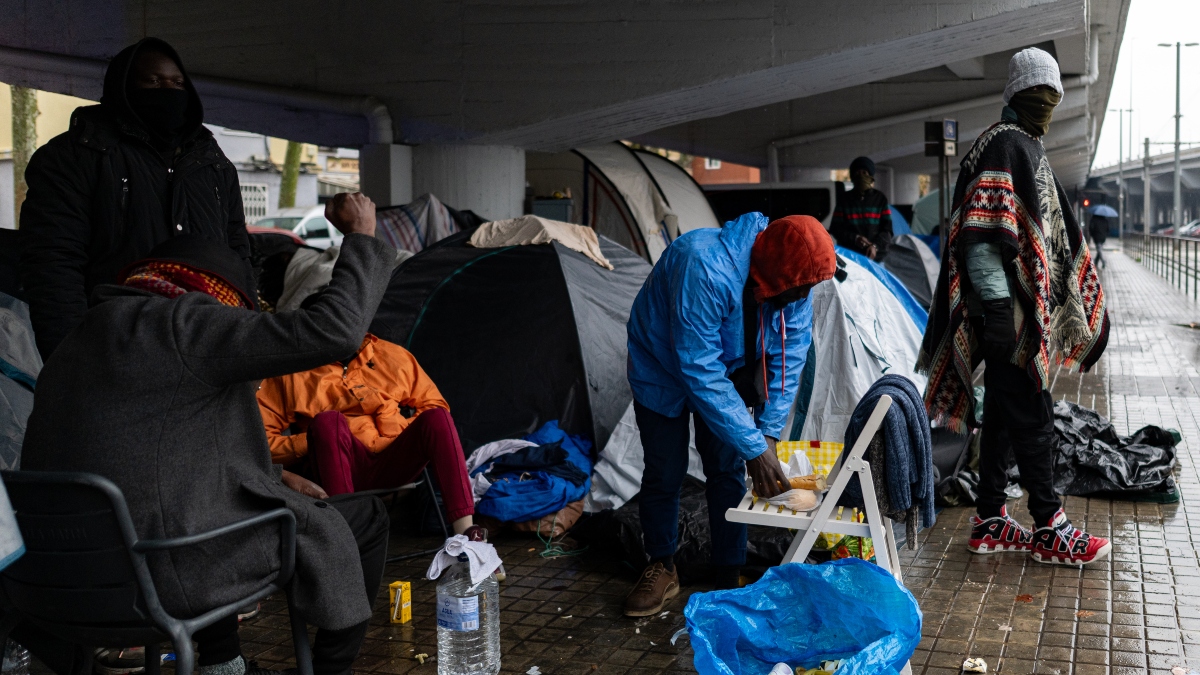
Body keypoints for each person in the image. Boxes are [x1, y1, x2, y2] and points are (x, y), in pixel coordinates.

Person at [20, 193, 394, 675]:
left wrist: (274, 475)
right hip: (159, 580)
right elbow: (336, 331)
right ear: (216, 296)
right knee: (362, 518)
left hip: (55, 583)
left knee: (209, 514)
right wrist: (361, 235)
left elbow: (153, 453)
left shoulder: (83, 337)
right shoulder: (187, 323)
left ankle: (225, 666)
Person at [918, 48, 1111, 566]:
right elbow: (982, 238)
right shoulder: (1006, 144)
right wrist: (1000, 309)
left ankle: (990, 519)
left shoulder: (1019, 143)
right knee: (1033, 414)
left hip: (1011, 314)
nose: (1047, 106)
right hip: (1006, 316)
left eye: (1054, 98)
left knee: (1004, 414)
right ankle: (1049, 526)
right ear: (1019, 95)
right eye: (1039, 96)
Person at [623, 212, 836, 616]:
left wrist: (767, 434)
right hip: (660, 366)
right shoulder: (702, 266)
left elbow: (789, 357)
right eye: (800, 289)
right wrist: (754, 447)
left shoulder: (795, 286)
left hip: (727, 366)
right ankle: (662, 565)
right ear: (774, 272)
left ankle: (728, 571)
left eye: (809, 288)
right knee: (665, 471)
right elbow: (698, 367)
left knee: (726, 469)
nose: (803, 297)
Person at [19, 37, 250, 360]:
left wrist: (247, 340)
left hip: (207, 346)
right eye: (153, 81)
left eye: (178, 83)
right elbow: (53, 263)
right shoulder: (74, 156)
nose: (168, 91)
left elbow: (238, 255)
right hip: (115, 346)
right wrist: (70, 358)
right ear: (123, 87)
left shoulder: (212, 164)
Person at [257, 333, 479, 536]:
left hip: (393, 461)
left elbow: (434, 404)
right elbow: (259, 442)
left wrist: (396, 429)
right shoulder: (291, 372)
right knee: (328, 422)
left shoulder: (391, 354)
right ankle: (348, 538)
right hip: (334, 468)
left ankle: (467, 536)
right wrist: (313, 440)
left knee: (437, 417)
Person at [829, 156, 892, 261]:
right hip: (850, 257)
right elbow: (835, 229)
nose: (861, 176)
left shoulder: (880, 199)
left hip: (876, 258)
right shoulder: (844, 200)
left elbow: (887, 230)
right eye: (857, 173)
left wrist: (875, 246)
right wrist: (855, 238)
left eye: (864, 173)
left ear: (870, 176)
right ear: (852, 176)